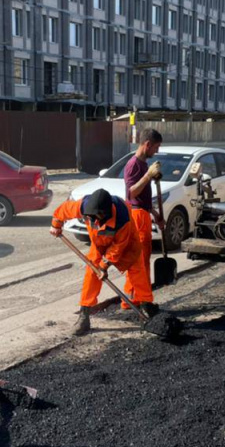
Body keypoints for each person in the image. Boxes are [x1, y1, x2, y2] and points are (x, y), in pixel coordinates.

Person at [50, 188, 157, 335]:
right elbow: (65, 209)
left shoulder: (122, 218)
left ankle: (146, 306)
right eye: (91, 217)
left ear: (106, 213)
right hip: (99, 245)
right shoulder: (86, 205)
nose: (93, 220)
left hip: (128, 244)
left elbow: (118, 248)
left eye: (97, 217)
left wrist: (104, 266)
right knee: (91, 274)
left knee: (137, 272)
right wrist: (56, 224)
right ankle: (84, 314)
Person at [122, 128, 164, 305]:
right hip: (136, 216)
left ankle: (131, 299)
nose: (157, 151)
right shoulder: (133, 165)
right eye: (156, 147)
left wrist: (156, 215)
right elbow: (131, 194)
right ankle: (141, 299)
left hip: (143, 214)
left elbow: (144, 197)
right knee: (141, 261)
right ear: (147, 144)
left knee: (140, 259)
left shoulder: (143, 164)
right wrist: (148, 176)